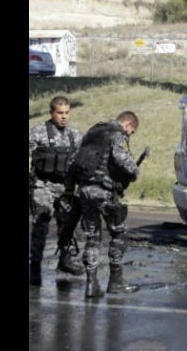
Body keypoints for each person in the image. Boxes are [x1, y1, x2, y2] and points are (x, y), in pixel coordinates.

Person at [70, 111, 141, 298]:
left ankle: (91, 284)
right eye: (131, 132)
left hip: (84, 191)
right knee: (119, 233)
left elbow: (73, 160)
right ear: (128, 125)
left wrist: (70, 189)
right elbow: (120, 157)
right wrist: (134, 172)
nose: (129, 136)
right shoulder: (118, 134)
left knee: (92, 237)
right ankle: (116, 282)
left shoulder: (93, 132)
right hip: (104, 191)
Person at [29, 96, 85, 285]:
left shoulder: (74, 136)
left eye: (67, 113)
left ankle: (65, 260)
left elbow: (82, 162)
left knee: (67, 226)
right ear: (51, 112)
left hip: (66, 189)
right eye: (60, 113)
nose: (64, 117)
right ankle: (35, 267)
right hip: (42, 186)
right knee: (41, 226)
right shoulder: (37, 132)